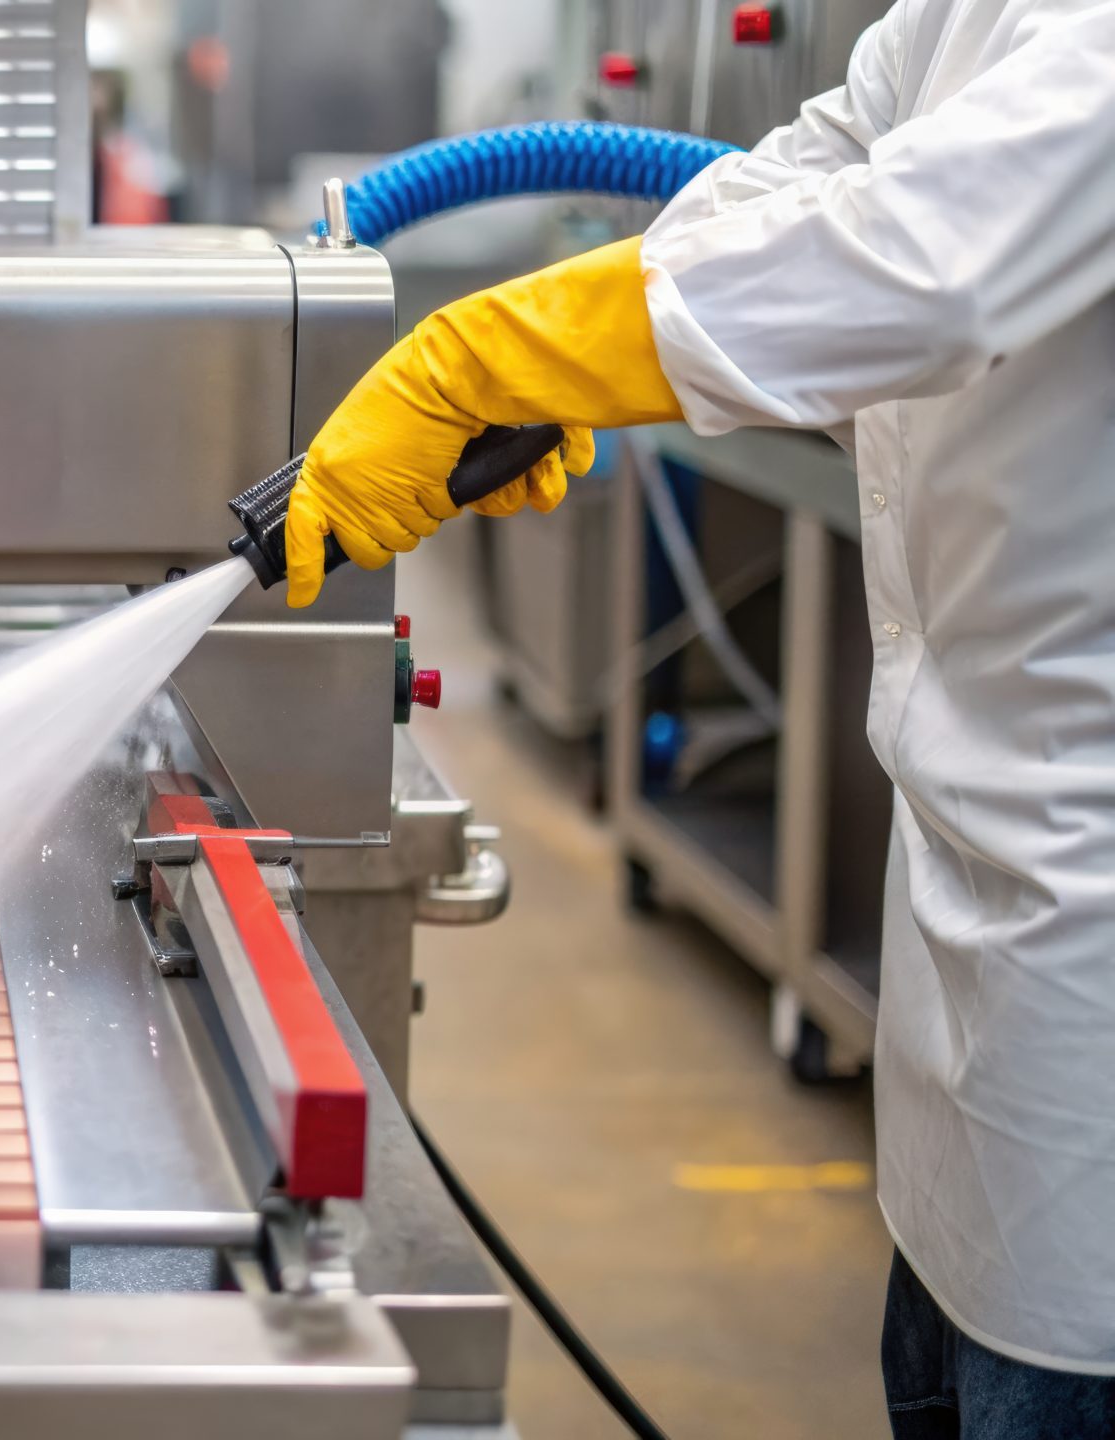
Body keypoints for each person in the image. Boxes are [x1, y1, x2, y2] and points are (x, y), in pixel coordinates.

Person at [281, 0, 1115, 1433]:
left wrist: (507, 355)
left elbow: (922, 266)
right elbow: (813, 172)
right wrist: (589, 331)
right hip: (974, 946)